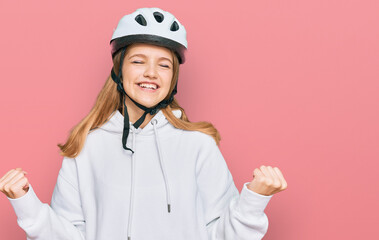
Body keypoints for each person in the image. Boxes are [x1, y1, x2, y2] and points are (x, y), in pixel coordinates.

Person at [0, 7, 288, 240]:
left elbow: (222, 235)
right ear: (119, 70)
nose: (151, 73)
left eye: (164, 64)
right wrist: (27, 204)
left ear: (173, 78)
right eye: (138, 61)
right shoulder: (86, 146)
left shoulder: (199, 145)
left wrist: (255, 198)